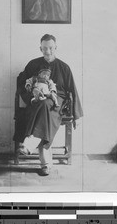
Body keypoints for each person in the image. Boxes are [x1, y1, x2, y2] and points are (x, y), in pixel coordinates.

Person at [14, 34, 83, 175]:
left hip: (57, 106)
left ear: (55, 47)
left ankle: (30, 144)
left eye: (51, 48)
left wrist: (76, 115)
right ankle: (45, 164)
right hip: (36, 104)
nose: (48, 51)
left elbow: (72, 90)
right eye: (44, 48)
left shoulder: (64, 67)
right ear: (40, 48)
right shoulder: (33, 64)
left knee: (45, 104)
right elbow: (21, 84)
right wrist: (31, 97)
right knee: (43, 106)